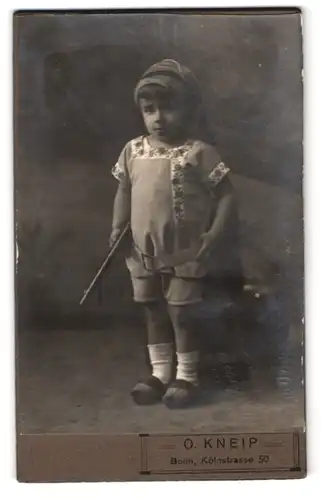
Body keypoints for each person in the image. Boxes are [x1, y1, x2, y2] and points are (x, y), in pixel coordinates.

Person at [109, 59, 237, 408]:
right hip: (143, 250)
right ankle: (160, 373)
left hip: (184, 250)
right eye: (149, 110)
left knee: (182, 313)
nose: (158, 118)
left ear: (189, 109)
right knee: (152, 309)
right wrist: (118, 225)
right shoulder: (133, 150)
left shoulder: (198, 152)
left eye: (168, 108)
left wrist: (213, 233)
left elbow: (226, 194)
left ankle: (187, 376)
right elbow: (124, 189)